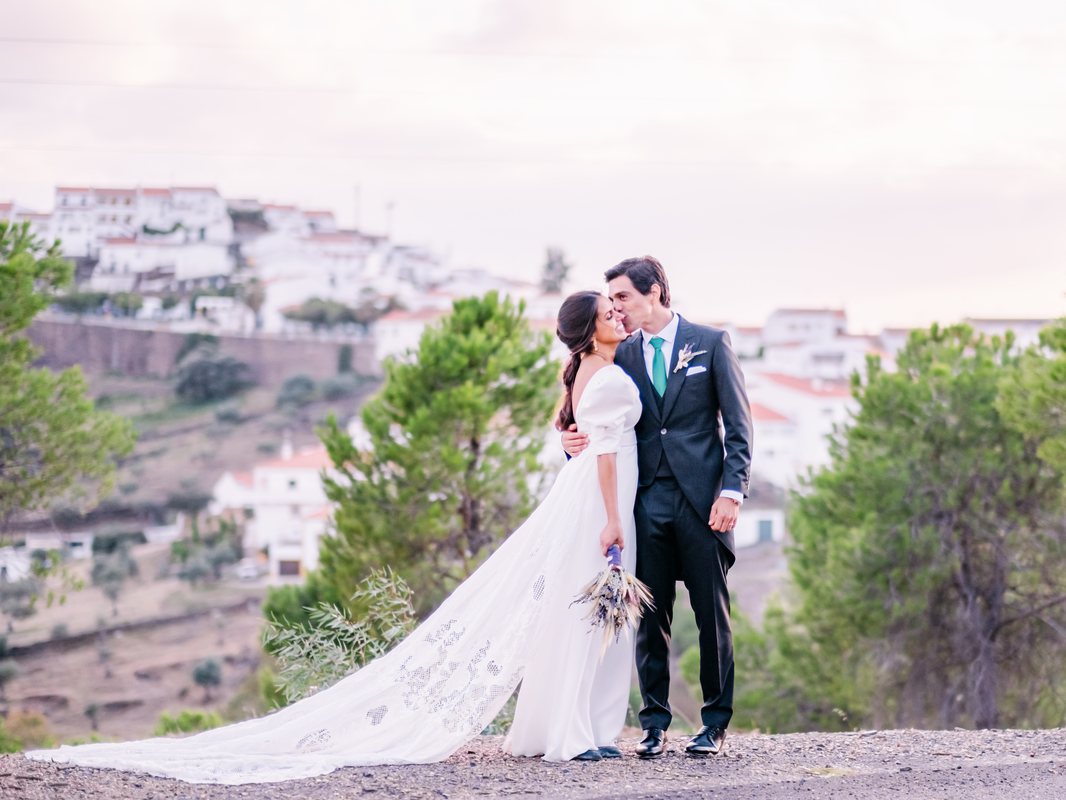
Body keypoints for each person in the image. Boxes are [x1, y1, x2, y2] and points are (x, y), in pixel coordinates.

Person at [28, 291, 644, 785]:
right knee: (577, 614)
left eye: (619, 309)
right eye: (607, 312)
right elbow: (607, 451)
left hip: (584, 495)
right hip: (596, 499)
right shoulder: (602, 372)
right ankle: (569, 734)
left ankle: (562, 728)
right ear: (589, 331)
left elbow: (581, 430)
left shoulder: (592, 368)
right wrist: (613, 518)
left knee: (572, 611)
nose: (618, 315)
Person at [562, 255, 752, 758]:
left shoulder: (711, 344)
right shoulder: (620, 355)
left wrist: (731, 492)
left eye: (623, 297)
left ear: (655, 293)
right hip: (645, 501)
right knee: (649, 617)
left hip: (703, 502)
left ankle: (713, 724)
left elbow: (738, 425)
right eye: (613, 302)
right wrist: (567, 439)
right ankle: (654, 724)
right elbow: (595, 420)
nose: (618, 310)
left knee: (712, 614)